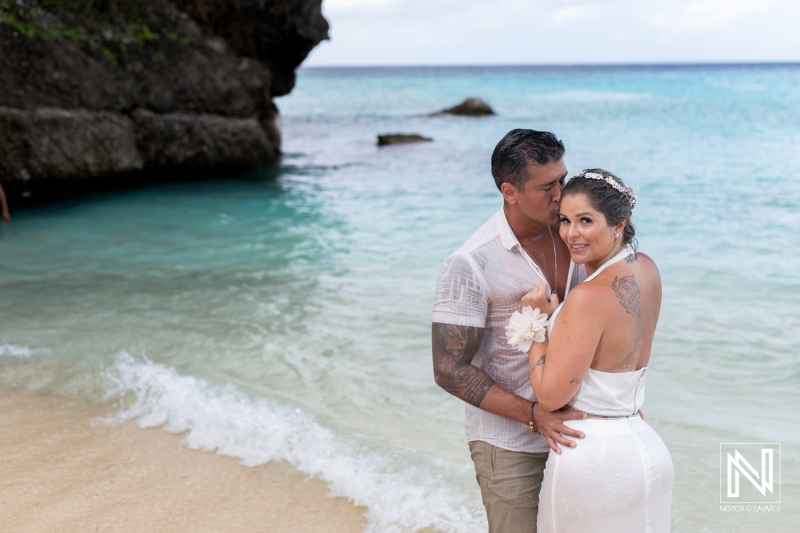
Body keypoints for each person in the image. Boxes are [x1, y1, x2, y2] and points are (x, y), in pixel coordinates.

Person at [432, 129, 588, 533]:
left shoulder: (578, 238)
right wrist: (535, 416)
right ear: (510, 191)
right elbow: (448, 368)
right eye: (547, 187)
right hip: (509, 444)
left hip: (578, 432)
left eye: (563, 180)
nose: (561, 195)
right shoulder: (470, 263)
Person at [521, 169, 673, 532]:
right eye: (565, 220)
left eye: (585, 221)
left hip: (593, 457)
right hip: (645, 448)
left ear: (618, 224)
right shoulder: (648, 269)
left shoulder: (587, 297)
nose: (571, 234)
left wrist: (537, 326)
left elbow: (550, 396)